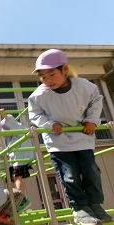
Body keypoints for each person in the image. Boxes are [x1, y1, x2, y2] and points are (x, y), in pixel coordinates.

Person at [28, 49, 113, 225]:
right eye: (43, 77)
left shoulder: (84, 86)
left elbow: (96, 100)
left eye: (51, 74)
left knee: (92, 172)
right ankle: (79, 208)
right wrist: (49, 125)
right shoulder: (40, 94)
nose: (47, 80)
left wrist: (92, 120)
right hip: (58, 142)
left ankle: (95, 205)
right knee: (70, 175)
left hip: (82, 136)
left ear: (65, 70)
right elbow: (34, 114)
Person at [0, 109, 34, 201]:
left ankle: (21, 198)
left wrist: (4, 115)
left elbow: (11, 121)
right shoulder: (11, 138)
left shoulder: (19, 130)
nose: (6, 135)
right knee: (9, 179)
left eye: (6, 132)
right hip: (14, 161)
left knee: (18, 177)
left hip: (21, 159)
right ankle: (11, 198)